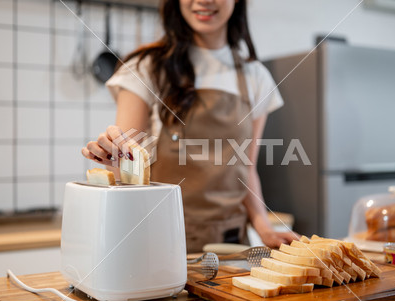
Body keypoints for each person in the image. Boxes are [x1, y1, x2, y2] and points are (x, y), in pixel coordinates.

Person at [82, 0, 298, 253]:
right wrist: (112, 157)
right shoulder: (146, 67)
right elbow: (127, 166)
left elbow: (246, 169)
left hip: (229, 248)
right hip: (160, 241)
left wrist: (264, 228)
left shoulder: (255, 76)